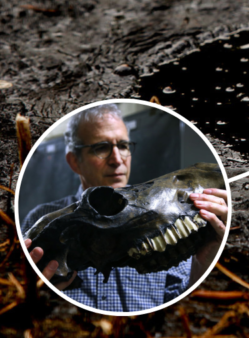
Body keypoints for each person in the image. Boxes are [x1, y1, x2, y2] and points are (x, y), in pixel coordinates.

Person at [22, 104, 228, 312]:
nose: (117, 160)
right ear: (75, 161)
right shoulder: (38, 218)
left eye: (123, 145)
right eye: (101, 147)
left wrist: (204, 264)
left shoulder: (170, 220)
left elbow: (179, 305)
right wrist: (33, 293)